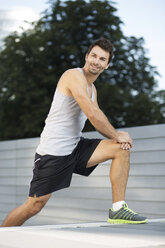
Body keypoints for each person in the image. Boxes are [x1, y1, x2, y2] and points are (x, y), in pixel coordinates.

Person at [1, 38, 147, 227]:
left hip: (75, 147)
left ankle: (118, 208)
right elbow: (93, 114)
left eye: (102, 59)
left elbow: (98, 118)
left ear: (107, 65)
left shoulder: (92, 88)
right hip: (53, 152)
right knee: (34, 206)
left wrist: (118, 138)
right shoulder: (72, 76)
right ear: (86, 57)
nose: (96, 61)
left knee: (120, 149)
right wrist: (117, 134)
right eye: (93, 56)